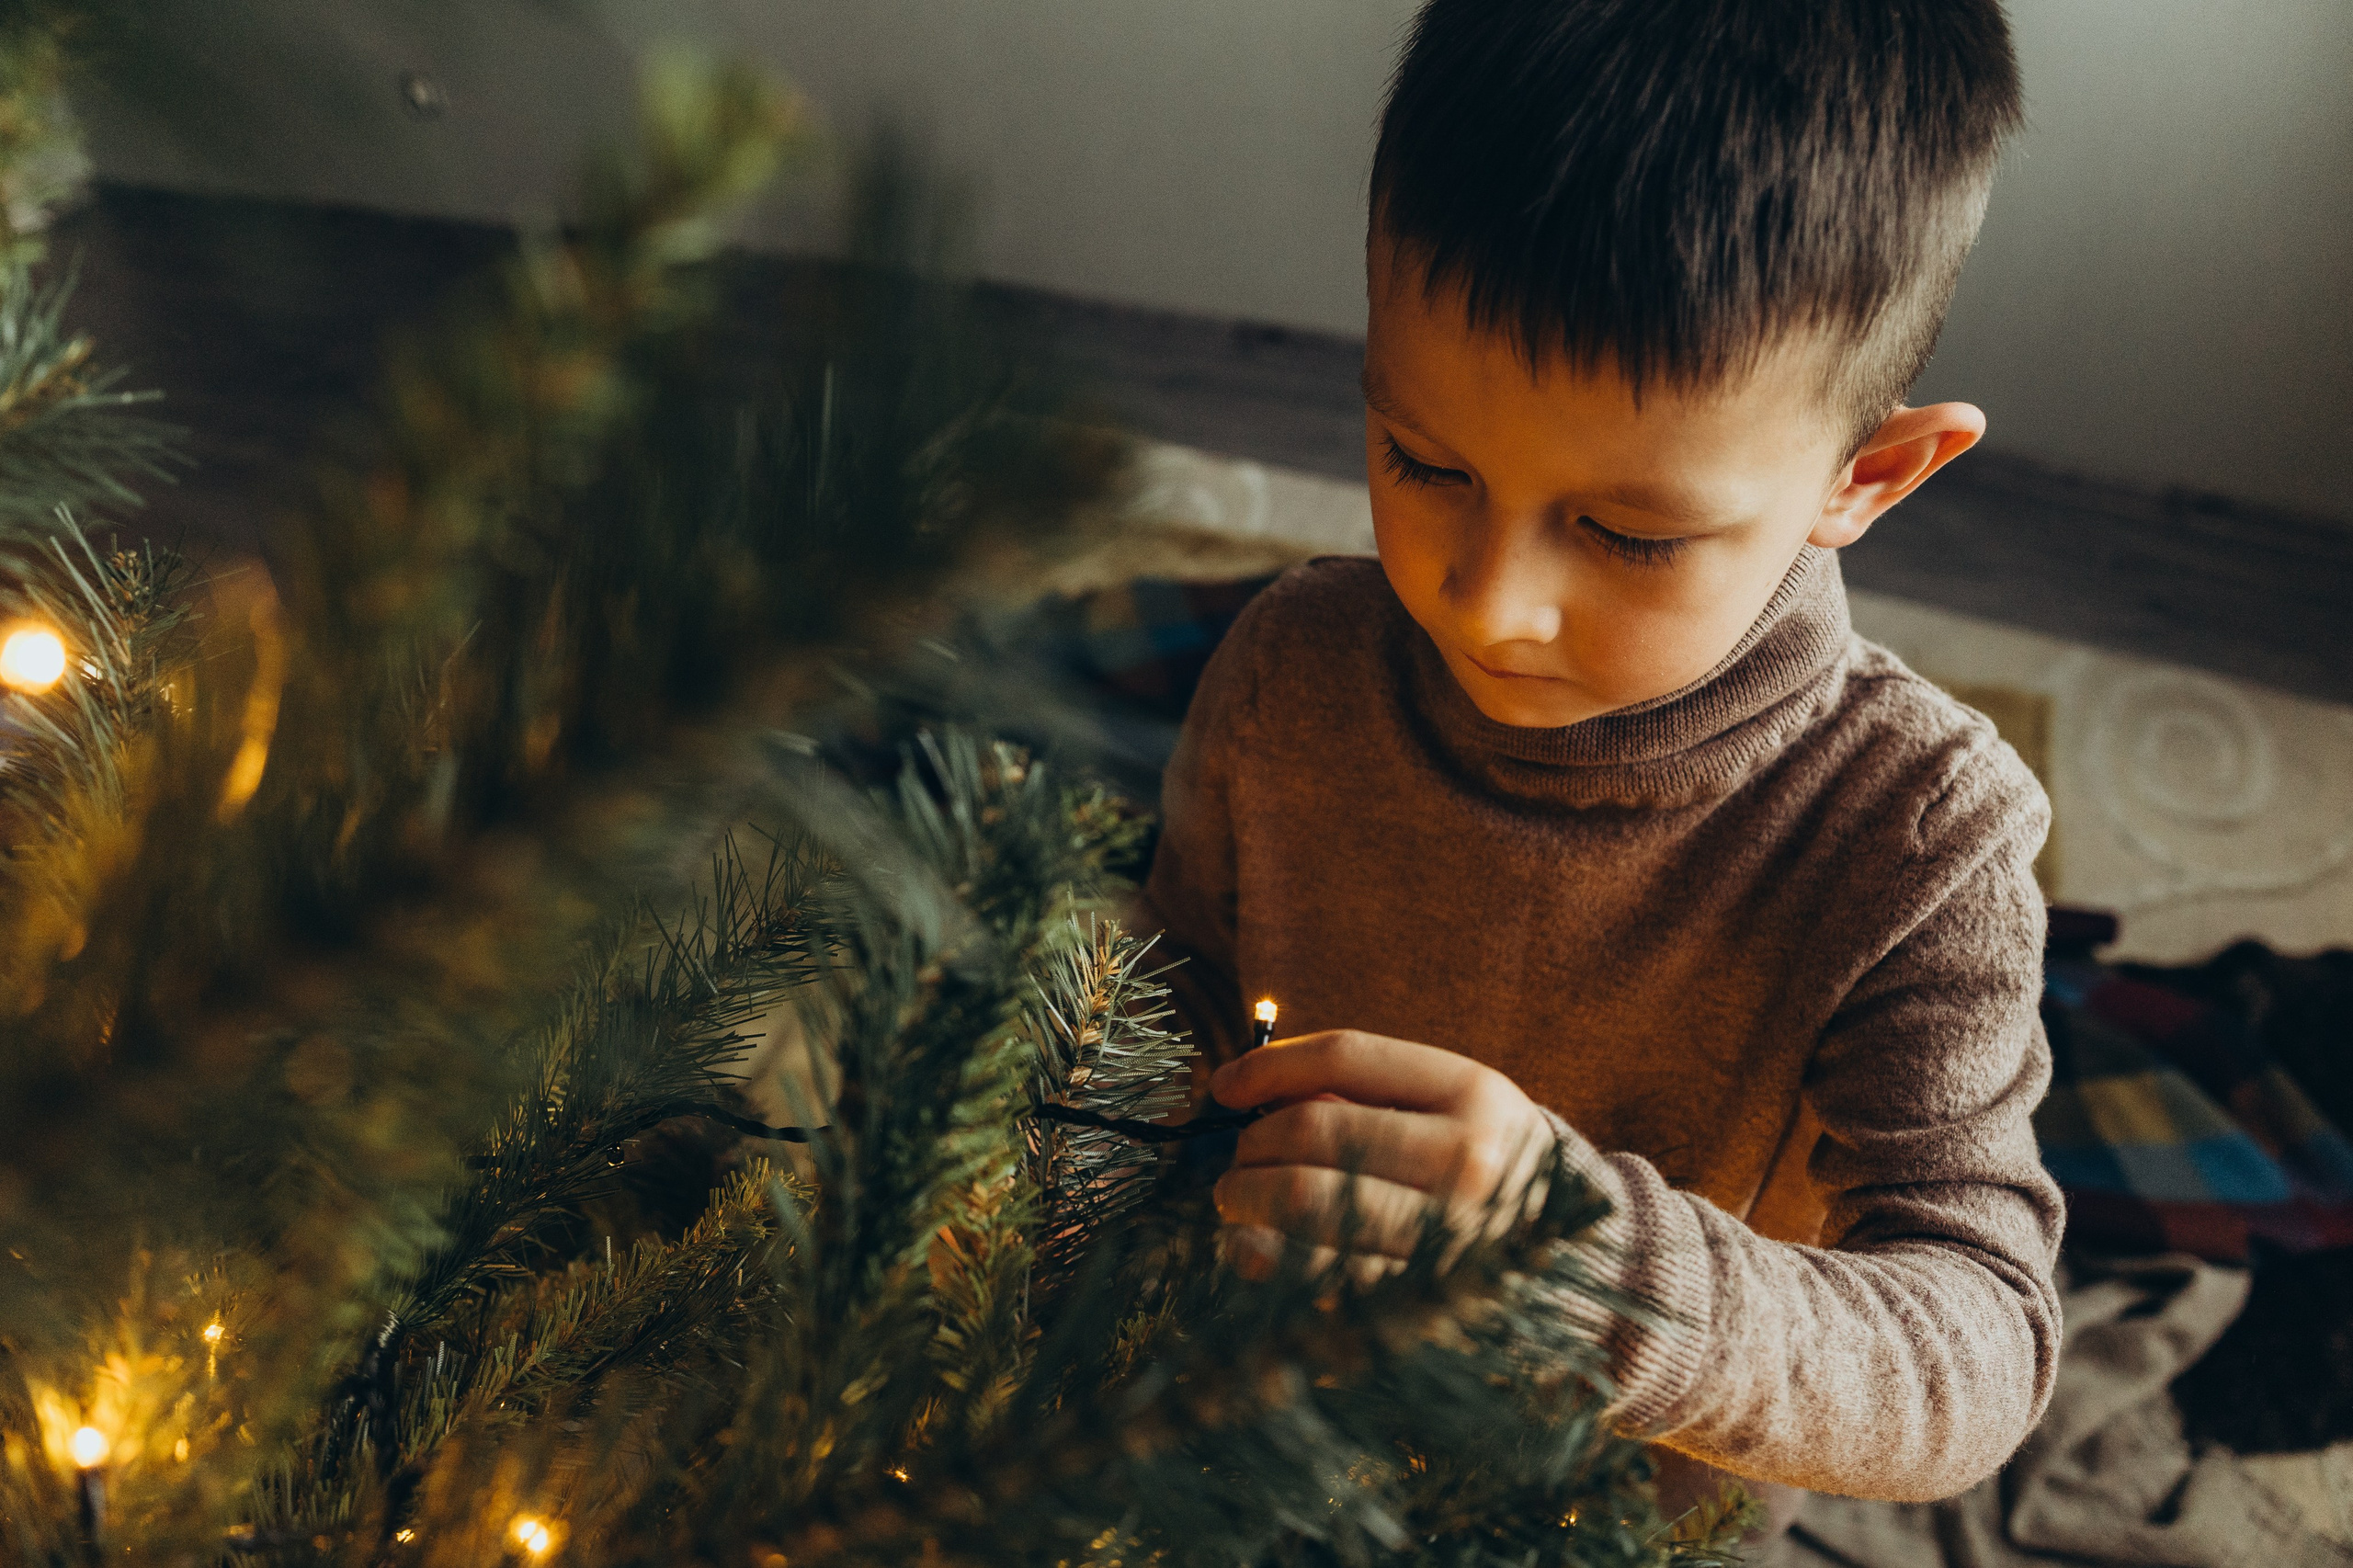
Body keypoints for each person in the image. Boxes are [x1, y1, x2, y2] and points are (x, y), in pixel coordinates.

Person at [1138, 0, 2061, 1536]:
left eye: (1629, 533)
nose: (1486, 604)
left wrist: (1590, 1261)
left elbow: (1981, 1349)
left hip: (1612, 1522)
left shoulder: (1921, 836)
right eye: (1422, 463)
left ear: (1868, 474)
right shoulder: (1290, 667)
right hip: (1240, 1427)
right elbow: (1163, 985)